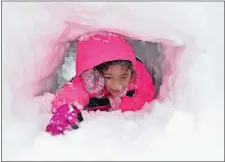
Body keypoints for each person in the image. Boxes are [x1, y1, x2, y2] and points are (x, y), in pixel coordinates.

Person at [46, 31, 155, 135]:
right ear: (97, 73)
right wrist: (66, 108)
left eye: (123, 77)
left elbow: (146, 94)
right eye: (109, 77)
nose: (117, 85)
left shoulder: (137, 73)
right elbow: (73, 91)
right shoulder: (91, 80)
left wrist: (123, 104)